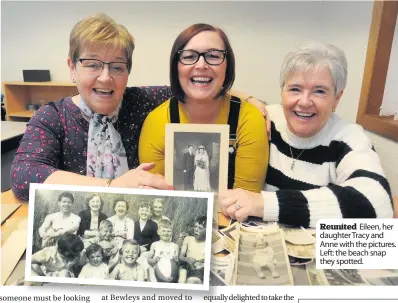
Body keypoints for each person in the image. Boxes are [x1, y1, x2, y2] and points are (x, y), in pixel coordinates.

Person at [220, 41, 394, 228]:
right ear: (282, 91)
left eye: (319, 91)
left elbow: (379, 205)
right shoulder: (264, 119)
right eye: (295, 89)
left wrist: (263, 204)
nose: (304, 102)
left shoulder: (349, 137)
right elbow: (209, 91)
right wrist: (248, 98)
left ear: (337, 97)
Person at [10, 14, 173, 201]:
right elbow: (24, 175)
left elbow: (187, 90)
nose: (105, 77)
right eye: (92, 65)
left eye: (117, 67)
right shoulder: (53, 117)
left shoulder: (141, 102)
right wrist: (113, 186)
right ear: (72, 67)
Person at [139, 23, 269, 192]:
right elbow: (157, 200)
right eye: (189, 56)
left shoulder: (249, 119)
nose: (201, 65)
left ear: (227, 66)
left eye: (213, 56)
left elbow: (246, 200)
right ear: (176, 66)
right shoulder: (156, 121)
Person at [178, 216, 206, 284]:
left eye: (200, 228)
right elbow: (180, 257)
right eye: (195, 226)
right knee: (182, 278)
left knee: (191, 281)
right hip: (187, 267)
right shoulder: (188, 239)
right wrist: (186, 259)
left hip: (200, 270)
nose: (196, 230)